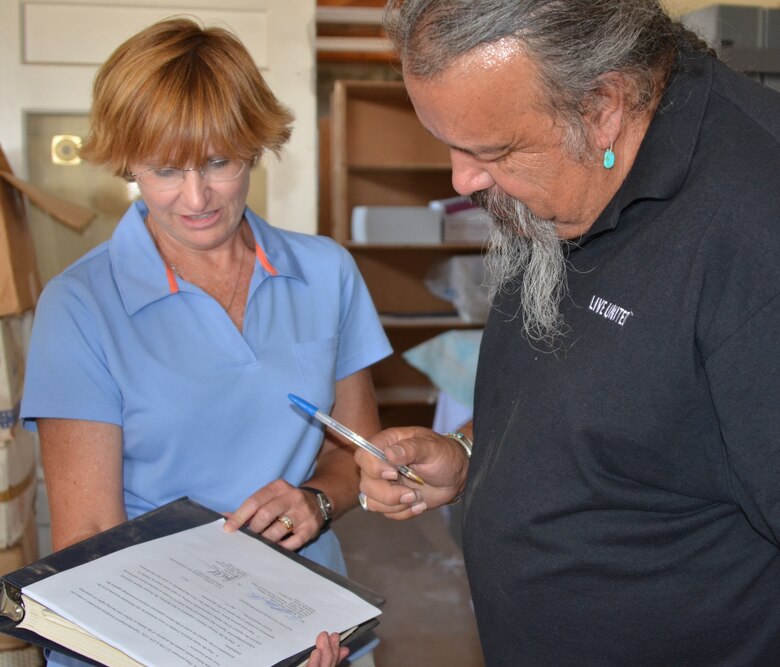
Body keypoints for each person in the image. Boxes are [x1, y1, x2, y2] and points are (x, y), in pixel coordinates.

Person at [356, 0, 780, 664]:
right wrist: (472, 452)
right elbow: (624, 399)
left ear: (602, 105)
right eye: (450, 142)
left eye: (489, 149)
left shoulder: (758, 232)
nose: (462, 180)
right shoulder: (570, 171)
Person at [20, 17, 391, 667]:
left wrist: (317, 500)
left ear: (254, 146)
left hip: (309, 623)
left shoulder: (326, 272)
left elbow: (353, 454)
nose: (196, 197)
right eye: (165, 169)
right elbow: (90, 539)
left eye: (218, 161)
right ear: (126, 160)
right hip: (145, 631)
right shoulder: (80, 305)